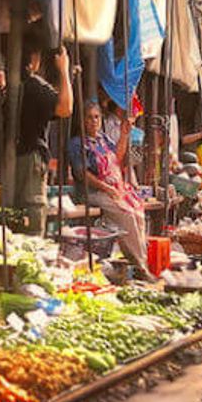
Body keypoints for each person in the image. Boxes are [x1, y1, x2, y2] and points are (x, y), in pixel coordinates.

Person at [69, 101, 152, 280]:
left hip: (113, 189)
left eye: (96, 117)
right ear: (82, 121)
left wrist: (124, 134)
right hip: (93, 193)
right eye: (89, 118)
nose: (93, 121)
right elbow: (82, 173)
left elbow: (118, 158)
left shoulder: (103, 139)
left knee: (137, 212)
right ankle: (140, 266)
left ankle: (142, 261)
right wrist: (107, 188)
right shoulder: (77, 143)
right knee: (126, 215)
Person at [14, 42, 73, 235]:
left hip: (10, 160)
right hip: (29, 159)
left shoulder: (6, 81)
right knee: (32, 219)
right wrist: (64, 70)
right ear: (34, 59)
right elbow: (65, 108)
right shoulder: (33, 85)